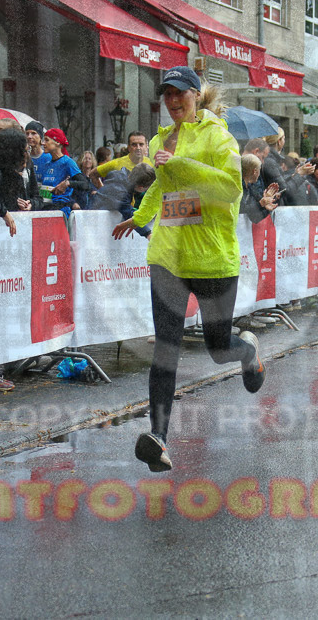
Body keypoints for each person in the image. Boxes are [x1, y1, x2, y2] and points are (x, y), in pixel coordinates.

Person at [110, 66, 265, 472]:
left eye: (180, 93)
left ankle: (246, 349)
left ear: (196, 96)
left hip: (212, 258)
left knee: (218, 348)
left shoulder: (220, 137)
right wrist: (140, 216)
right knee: (166, 348)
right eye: (167, 95)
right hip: (169, 258)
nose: (173, 101)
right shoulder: (163, 139)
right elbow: (162, 185)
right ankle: (158, 438)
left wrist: (181, 166)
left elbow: (230, 187)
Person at [34, 127, 89, 213]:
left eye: (47, 140)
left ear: (57, 142)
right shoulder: (47, 164)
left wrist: (67, 183)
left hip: (61, 210)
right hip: (45, 209)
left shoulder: (68, 162)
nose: (43, 143)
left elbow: (85, 184)